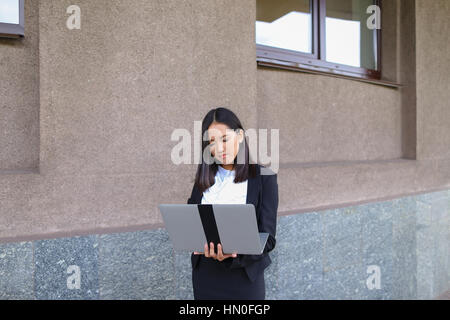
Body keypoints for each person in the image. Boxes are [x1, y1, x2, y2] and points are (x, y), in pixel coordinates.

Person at [187, 107, 278, 300]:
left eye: (225, 139)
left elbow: (268, 238)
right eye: (212, 142)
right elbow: (191, 223)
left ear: (240, 136)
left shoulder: (264, 178)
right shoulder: (203, 180)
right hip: (206, 276)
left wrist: (234, 252)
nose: (219, 148)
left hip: (243, 279)